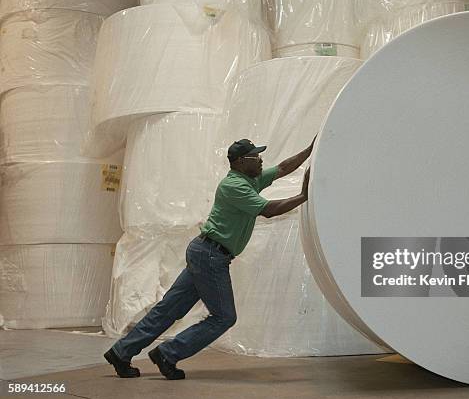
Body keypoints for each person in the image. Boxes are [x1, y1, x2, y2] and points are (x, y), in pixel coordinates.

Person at [104, 137, 314, 380]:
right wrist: (303, 196)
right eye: (255, 156)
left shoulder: (250, 179)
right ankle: (168, 353)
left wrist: (310, 150)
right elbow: (268, 210)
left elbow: (282, 169)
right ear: (239, 162)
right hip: (212, 256)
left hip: (205, 252)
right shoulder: (234, 186)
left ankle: (121, 352)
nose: (260, 159)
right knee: (224, 317)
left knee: (168, 310)